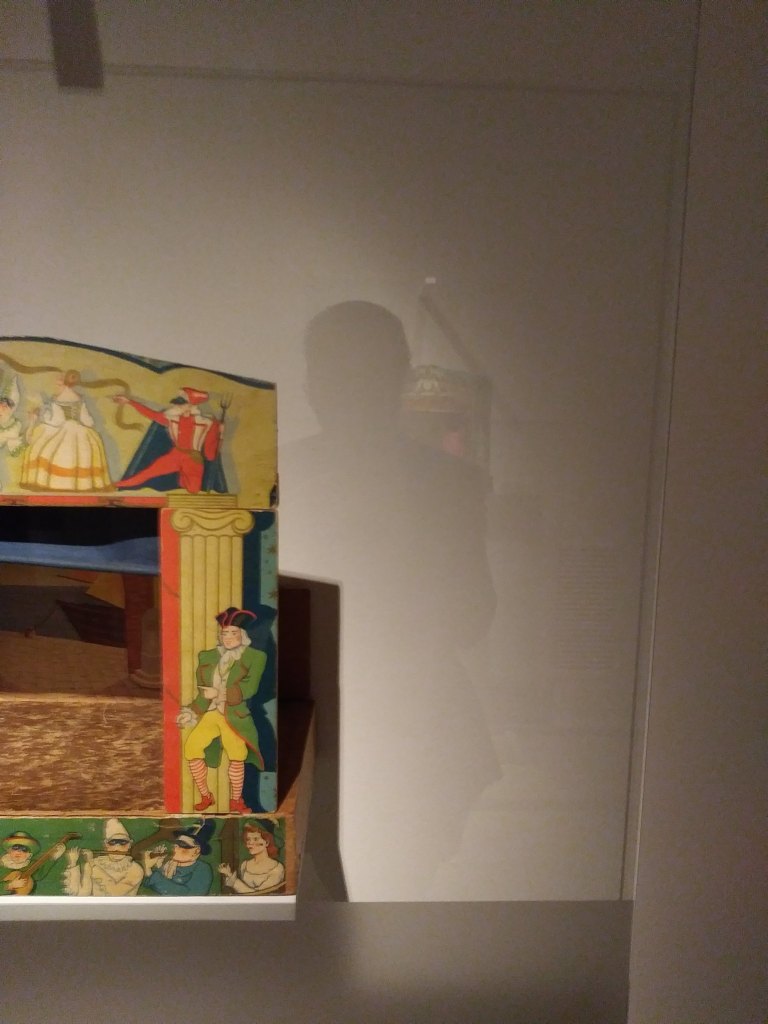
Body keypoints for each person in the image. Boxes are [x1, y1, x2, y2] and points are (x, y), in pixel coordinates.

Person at [176, 607, 267, 813]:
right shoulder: (207, 657)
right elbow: (203, 692)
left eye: (233, 633)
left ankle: (236, 800)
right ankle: (205, 796)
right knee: (191, 748)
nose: (228, 638)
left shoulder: (256, 657)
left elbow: (250, 688)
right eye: (225, 633)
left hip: (234, 715)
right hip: (211, 713)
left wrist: (219, 693)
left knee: (237, 755)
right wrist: (190, 713)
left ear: (243, 635)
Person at [112, 387, 225, 494]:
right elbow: (151, 414)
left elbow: (210, 454)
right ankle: (118, 484)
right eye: (177, 403)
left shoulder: (208, 423)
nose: (176, 406)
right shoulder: (171, 419)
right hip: (175, 455)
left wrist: (219, 433)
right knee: (149, 472)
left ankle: (183, 479)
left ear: (191, 406)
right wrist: (130, 402)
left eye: (181, 404)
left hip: (193, 458)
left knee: (193, 490)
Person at [20, 370, 111, 491]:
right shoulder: (80, 398)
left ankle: (52, 484)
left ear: (63, 383)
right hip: (80, 430)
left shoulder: (57, 398)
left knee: (42, 449)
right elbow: (88, 421)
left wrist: (40, 417)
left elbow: (55, 420)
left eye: (59, 382)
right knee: (82, 455)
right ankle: (80, 485)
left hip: (60, 429)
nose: (57, 384)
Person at [63, 818, 143, 896]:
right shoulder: (93, 863)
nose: (117, 847)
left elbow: (116, 892)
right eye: (112, 842)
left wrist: (92, 865)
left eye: (123, 842)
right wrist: (73, 863)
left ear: (129, 844)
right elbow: (82, 894)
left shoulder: (136, 869)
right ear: (106, 844)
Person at [142, 820, 214, 896]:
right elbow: (149, 884)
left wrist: (152, 873)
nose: (175, 846)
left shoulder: (202, 868)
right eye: (176, 843)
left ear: (196, 851)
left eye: (182, 844)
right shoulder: (168, 864)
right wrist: (153, 866)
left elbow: (188, 895)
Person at [219, 821, 285, 894]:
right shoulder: (244, 865)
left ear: (266, 842)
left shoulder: (277, 868)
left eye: (255, 839)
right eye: (248, 839)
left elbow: (258, 894)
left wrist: (232, 878)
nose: (250, 843)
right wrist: (229, 874)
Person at [1, 831, 66, 894]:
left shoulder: (31, 865)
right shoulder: (2, 865)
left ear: (29, 855)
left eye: (24, 849)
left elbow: (40, 873)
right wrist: (10, 885)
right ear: (9, 851)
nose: (19, 852)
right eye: (15, 848)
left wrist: (54, 857)